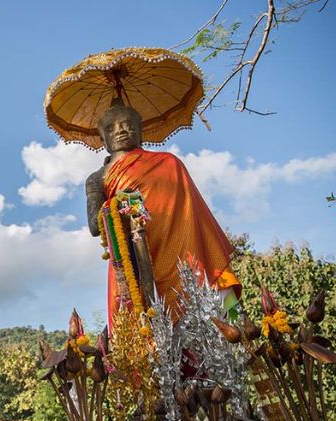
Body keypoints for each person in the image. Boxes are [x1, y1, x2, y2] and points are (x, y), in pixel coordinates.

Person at [85, 101, 240, 323]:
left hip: (179, 254)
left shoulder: (168, 163)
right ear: (103, 139)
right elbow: (94, 226)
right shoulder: (97, 178)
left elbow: (193, 214)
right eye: (111, 128)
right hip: (132, 259)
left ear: (140, 131)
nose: (120, 130)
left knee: (195, 323)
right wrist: (118, 204)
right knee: (140, 328)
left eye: (127, 124)